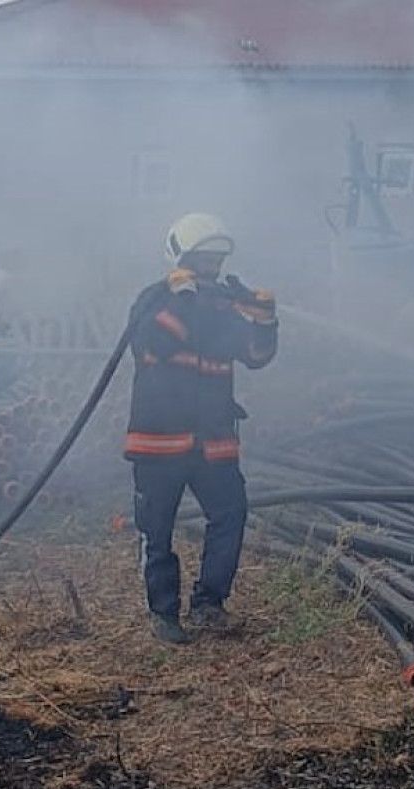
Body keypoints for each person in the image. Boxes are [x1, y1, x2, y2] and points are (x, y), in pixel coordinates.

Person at [125, 213, 278, 644]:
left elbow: (256, 356)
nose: (211, 270)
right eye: (202, 261)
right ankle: (164, 613)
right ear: (181, 258)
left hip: (213, 442)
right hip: (159, 444)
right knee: (157, 529)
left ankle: (210, 604)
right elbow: (154, 345)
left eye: (215, 262)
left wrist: (265, 320)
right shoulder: (154, 301)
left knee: (230, 514)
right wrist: (181, 299)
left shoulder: (222, 310)